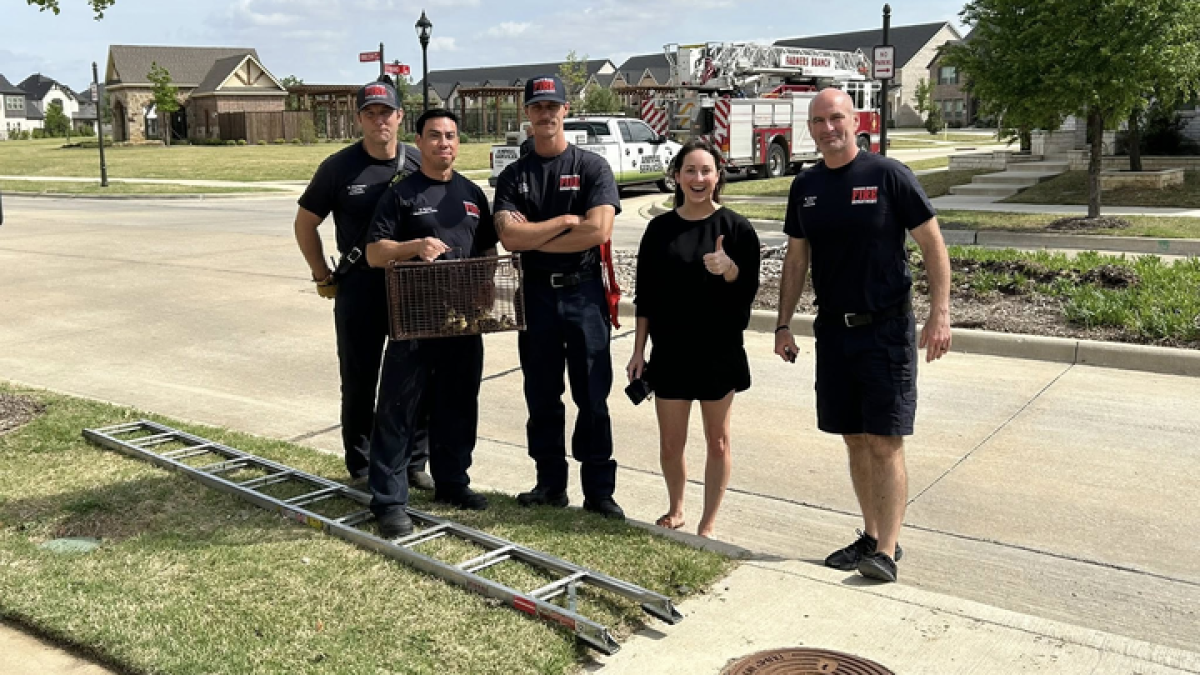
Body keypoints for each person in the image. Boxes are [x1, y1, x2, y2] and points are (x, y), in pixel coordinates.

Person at [774, 88, 953, 583]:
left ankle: (889, 550)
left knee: (884, 439)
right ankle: (871, 537)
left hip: (886, 330)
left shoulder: (888, 176)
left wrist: (941, 313)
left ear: (855, 120)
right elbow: (796, 259)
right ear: (809, 128)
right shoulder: (805, 186)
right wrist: (783, 323)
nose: (828, 128)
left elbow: (933, 244)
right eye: (818, 121)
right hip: (834, 331)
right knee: (853, 437)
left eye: (836, 118)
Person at [492, 75, 625, 520]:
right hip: (536, 298)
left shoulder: (592, 167)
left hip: (584, 294)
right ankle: (550, 484)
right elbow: (509, 237)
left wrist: (536, 237)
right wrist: (564, 223)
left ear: (566, 110)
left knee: (592, 395)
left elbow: (598, 230)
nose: (545, 114)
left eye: (553, 106)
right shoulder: (514, 175)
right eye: (537, 107)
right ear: (526, 114)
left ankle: (599, 491)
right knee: (542, 394)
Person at [364, 108, 498, 538]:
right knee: (398, 411)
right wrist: (414, 245)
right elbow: (374, 253)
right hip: (413, 322)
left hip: (462, 323)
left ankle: (453, 483)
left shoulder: (472, 194)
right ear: (418, 142)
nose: (444, 143)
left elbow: (487, 252)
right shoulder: (401, 194)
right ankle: (388, 500)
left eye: (451, 136)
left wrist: (486, 287)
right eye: (435, 136)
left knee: (458, 406)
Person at [294, 78, 433, 491]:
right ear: (359, 119)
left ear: (399, 117)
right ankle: (360, 463)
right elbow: (305, 224)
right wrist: (322, 274)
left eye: (386, 113)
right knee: (359, 377)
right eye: (370, 114)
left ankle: (414, 460)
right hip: (359, 288)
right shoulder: (338, 168)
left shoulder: (415, 162)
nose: (379, 121)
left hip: (410, 288)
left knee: (415, 377)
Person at [627, 139, 760, 539]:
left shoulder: (737, 229)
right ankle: (676, 508)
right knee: (671, 443)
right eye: (690, 171)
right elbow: (645, 295)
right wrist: (638, 351)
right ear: (677, 177)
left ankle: (708, 522)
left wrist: (730, 268)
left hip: (719, 350)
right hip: (670, 351)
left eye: (706, 171)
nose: (698, 178)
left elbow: (748, 291)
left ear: (718, 176)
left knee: (717, 441)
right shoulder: (659, 230)